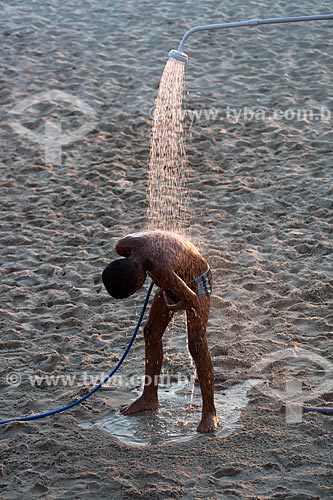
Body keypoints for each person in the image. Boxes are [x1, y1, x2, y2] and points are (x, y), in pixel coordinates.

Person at [102, 230, 219, 433]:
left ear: (139, 281)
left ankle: (210, 412)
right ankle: (149, 397)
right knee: (151, 332)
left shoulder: (160, 269)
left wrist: (171, 304)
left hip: (197, 279)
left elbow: (191, 301)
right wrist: (168, 292)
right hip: (173, 274)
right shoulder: (124, 246)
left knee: (197, 343)